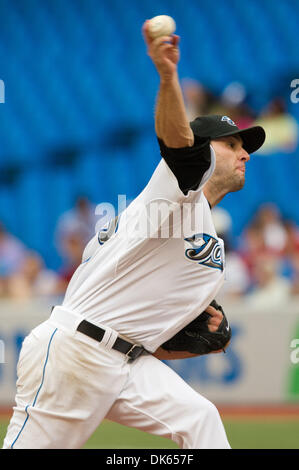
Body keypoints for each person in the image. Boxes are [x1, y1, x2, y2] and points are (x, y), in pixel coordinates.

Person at [3, 21, 265, 450]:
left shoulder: (209, 243)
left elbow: (157, 336)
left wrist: (210, 327)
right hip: (77, 351)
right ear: (203, 149)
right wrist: (167, 76)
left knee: (200, 420)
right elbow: (177, 142)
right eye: (232, 144)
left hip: (125, 361)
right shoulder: (176, 194)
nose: (243, 153)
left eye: (245, 146)